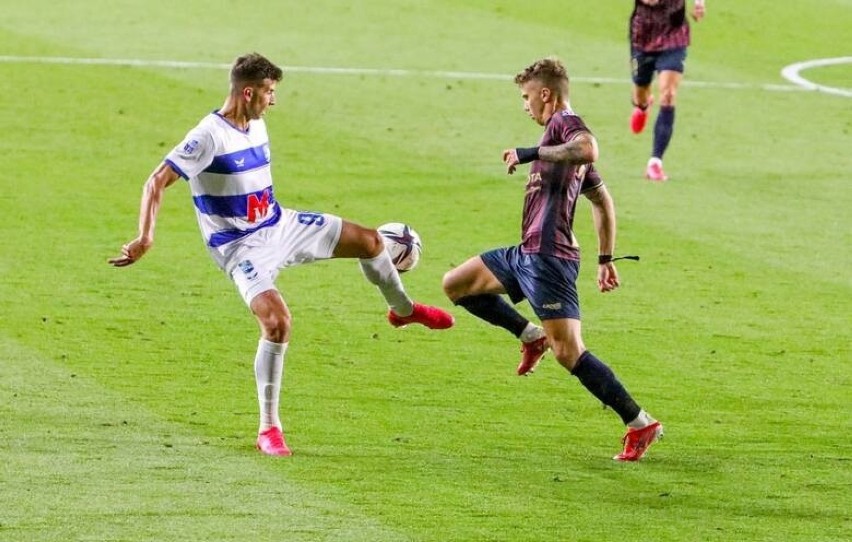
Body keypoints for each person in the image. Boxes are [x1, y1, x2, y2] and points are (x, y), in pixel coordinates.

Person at [109, 52, 454, 457]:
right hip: (239, 247)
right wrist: (144, 237)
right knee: (277, 323)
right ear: (248, 91)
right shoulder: (208, 136)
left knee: (371, 242)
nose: (273, 101)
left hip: (280, 224)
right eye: (269, 92)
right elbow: (155, 181)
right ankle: (268, 428)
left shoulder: (257, 123)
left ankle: (403, 309)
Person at [442, 57, 662, 461]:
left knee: (570, 352)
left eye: (527, 97)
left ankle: (640, 423)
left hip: (549, 259)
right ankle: (530, 335)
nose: (525, 105)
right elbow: (602, 199)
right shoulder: (559, 145)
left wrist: (529, 152)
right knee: (456, 284)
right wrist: (606, 257)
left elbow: (589, 147)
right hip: (524, 252)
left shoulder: (564, 125)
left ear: (546, 93)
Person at [628, 0, 706, 181]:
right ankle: (642, 106)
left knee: (669, 94)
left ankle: (655, 162)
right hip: (643, 35)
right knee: (640, 91)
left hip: (674, 34)